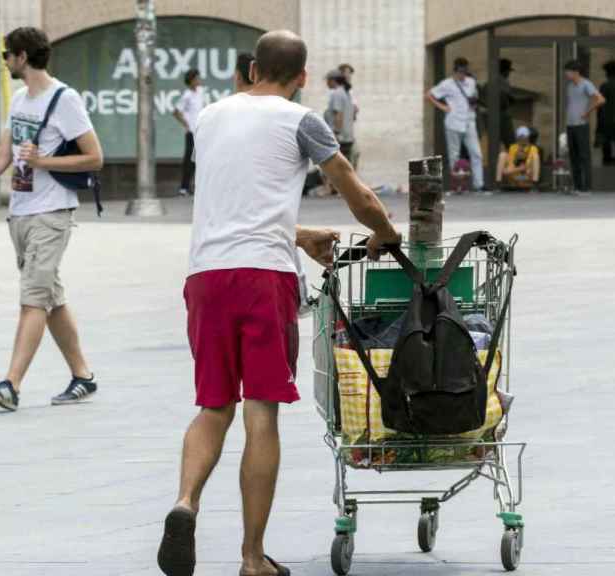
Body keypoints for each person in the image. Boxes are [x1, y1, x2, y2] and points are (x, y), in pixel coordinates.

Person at [156, 30, 401, 576]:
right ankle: (251, 558)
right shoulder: (302, 120)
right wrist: (386, 233)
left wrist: (299, 233)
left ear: (250, 68)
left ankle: (185, 502)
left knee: (213, 405)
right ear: (303, 77)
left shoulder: (211, 117)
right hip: (262, 279)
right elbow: (355, 191)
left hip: (205, 276)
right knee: (260, 412)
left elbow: (241, 199)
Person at [0, 27, 103, 410]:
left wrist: (43, 162)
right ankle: (83, 376)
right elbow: (5, 155)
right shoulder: (19, 99)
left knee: (33, 298)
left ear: (21, 56)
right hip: (20, 213)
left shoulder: (64, 99)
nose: (4, 62)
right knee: (50, 296)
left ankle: (11, 385)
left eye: (6, 55)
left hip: (51, 214)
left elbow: (95, 156)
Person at [428, 57, 486, 192]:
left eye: (465, 71)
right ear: (455, 71)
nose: (463, 74)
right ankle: (457, 185)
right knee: (454, 154)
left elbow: (474, 97)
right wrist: (443, 107)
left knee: (476, 153)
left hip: (469, 121)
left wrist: (474, 103)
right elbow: (429, 95)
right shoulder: (447, 84)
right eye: (461, 71)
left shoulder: (471, 82)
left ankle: (479, 184)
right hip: (453, 122)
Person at [563, 59, 605, 192]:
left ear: (576, 72)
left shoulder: (586, 84)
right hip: (570, 125)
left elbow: (601, 99)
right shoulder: (569, 86)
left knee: (584, 156)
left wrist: (587, 112)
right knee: (573, 156)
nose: (566, 74)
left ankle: (587, 188)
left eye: (568, 72)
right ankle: (577, 187)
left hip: (581, 125)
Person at [174, 68, 206, 197]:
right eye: (196, 78)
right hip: (191, 133)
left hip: (200, 131)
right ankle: (183, 188)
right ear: (191, 80)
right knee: (189, 160)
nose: (199, 80)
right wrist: (186, 124)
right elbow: (176, 112)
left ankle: (193, 186)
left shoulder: (200, 92)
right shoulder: (187, 95)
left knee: (198, 160)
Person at [323, 69, 355, 163]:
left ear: (333, 80)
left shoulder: (337, 93)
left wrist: (336, 134)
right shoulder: (345, 93)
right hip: (347, 137)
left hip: (340, 139)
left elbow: (339, 115)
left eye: (327, 80)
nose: (326, 83)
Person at [495, 126, 540, 190]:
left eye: (524, 136)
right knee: (502, 155)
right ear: (517, 137)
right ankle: (498, 183)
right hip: (514, 176)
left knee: (536, 157)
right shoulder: (513, 148)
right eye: (520, 137)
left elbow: (528, 170)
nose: (523, 139)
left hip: (526, 177)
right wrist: (519, 168)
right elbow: (506, 171)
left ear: (528, 137)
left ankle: (535, 184)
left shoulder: (533, 149)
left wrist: (524, 168)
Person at [338, 63, 361, 169]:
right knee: (344, 163)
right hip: (341, 136)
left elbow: (354, 110)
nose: (348, 76)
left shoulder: (349, 92)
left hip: (349, 133)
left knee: (355, 155)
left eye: (349, 74)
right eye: (346, 73)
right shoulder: (338, 92)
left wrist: (354, 110)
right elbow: (337, 113)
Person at [499, 58, 516, 148]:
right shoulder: (503, 81)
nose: (509, 74)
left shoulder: (490, 80)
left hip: (491, 115)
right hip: (503, 115)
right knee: (511, 144)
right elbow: (507, 97)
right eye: (508, 71)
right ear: (505, 71)